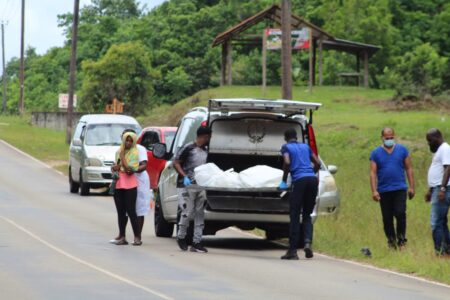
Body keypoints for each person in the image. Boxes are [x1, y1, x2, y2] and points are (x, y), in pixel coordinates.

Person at [369, 127, 415, 250]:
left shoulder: (402, 150)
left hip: (400, 188)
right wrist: (374, 190)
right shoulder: (375, 153)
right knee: (387, 218)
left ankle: (401, 241)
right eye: (386, 138)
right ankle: (391, 241)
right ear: (382, 138)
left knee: (400, 214)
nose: (389, 140)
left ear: (394, 137)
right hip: (384, 190)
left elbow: (409, 168)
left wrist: (411, 187)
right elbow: (373, 172)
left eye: (391, 138)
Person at [279, 128, 320, 260]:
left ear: (286, 138)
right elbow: (318, 163)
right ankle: (307, 242)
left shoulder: (285, 147)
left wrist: (284, 181)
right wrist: (310, 174)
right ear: (297, 137)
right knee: (307, 214)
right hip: (312, 180)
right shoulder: (306, 146)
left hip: (299, 181)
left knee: (295, 215)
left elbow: (287, 162)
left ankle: (292, 251)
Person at [174, 125, 212, 253]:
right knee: (187, 212)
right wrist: (184, 176)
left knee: (200, 213)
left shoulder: (206, 150)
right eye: (208, 137)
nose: (208, 140)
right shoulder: (188, 147)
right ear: (203, 136)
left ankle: (197, 242)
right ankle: (181, 237)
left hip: (200, 185)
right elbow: (176, 162)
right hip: (186, 185)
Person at [110, 131, 141, 246]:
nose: (128, 143)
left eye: (130, 141)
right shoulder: (118, 151)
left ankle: (137, 237)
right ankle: (122, 236)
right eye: (126, 140)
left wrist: (122, 158)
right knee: (120, 211)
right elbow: (117, 166)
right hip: (119, 183)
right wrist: (114, 167)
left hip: (130, 184)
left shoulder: (134, 153)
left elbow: (129, 170)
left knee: (131, 211)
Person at [425, 128, 450, 256]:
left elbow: (448, 168)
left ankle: (440, 252)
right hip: (437, 188)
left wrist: (442, 189)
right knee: (442, 222)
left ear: (436, 139)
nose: (429, 144)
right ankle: (447, 250)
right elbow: (439, 171)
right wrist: (430, 190)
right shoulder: (440, 150)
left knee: (436, 222)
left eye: (429, 141)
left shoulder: (445, 148)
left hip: (442, 189)